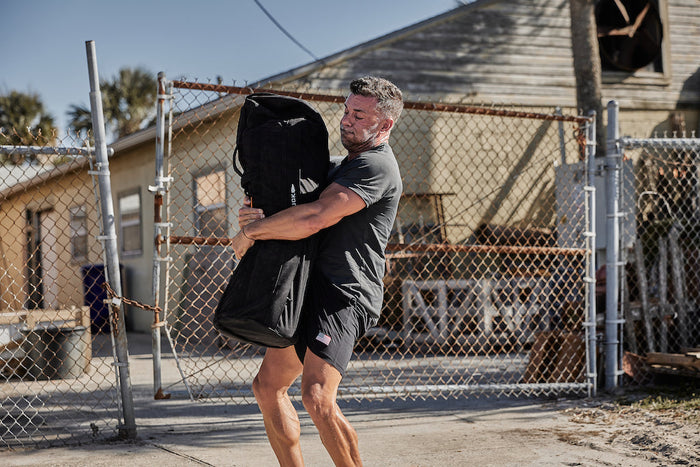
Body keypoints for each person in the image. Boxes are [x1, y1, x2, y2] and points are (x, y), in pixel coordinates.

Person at [231, 76, 403, 466]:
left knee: (317, 397)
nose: (347, 120)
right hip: (304, 286)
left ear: (385, 125)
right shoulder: (339, 166)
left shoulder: (377, 168)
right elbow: (292, 207)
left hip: (344, 294)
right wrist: (257, 213)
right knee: (267, 387)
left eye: (359, 115)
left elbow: (313, 217)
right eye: (346, 110)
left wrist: (251, 232)